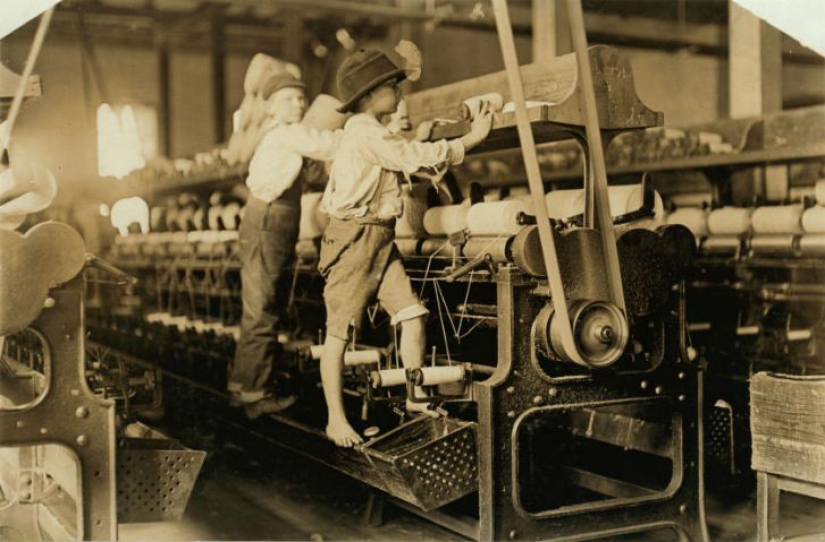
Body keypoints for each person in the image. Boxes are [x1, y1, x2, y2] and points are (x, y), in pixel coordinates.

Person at [318, 49, 493, 447]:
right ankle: (334, 420)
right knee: (339, 334)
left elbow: (410, 157)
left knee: (412, 314)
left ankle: (415, 397)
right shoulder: (365, 131)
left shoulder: (372, 131)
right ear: (366, 97)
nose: (399, 93)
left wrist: (433, 141)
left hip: (379, 237)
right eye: (390, 87)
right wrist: (471, 139)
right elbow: (412, 156)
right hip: (354, 238)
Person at [227, 72, 342, 419]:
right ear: (272, 106)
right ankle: (257, 395)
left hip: (268, 220)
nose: (299, 104)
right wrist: (367, 133)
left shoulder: (278, 134)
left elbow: (312, 173)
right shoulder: (289, 133)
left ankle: (242, 385)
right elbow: (329, 145)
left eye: (300, 98)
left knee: (259, 307)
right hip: (270, 222)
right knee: (263, 308)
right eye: (290, 99)